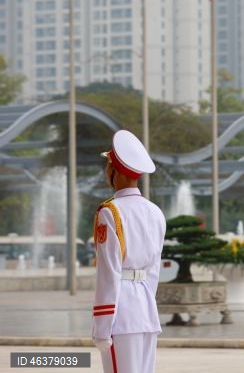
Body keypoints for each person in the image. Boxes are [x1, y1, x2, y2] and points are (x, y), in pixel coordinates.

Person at [92, 130, 166, 373]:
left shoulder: (109, 212)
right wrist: (147, 306)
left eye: (108, 164)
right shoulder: (155, 212)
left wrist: (102, 326)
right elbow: (153, 271)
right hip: (146, 311)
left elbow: (109, 272)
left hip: (120, 314)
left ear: (114, 170)